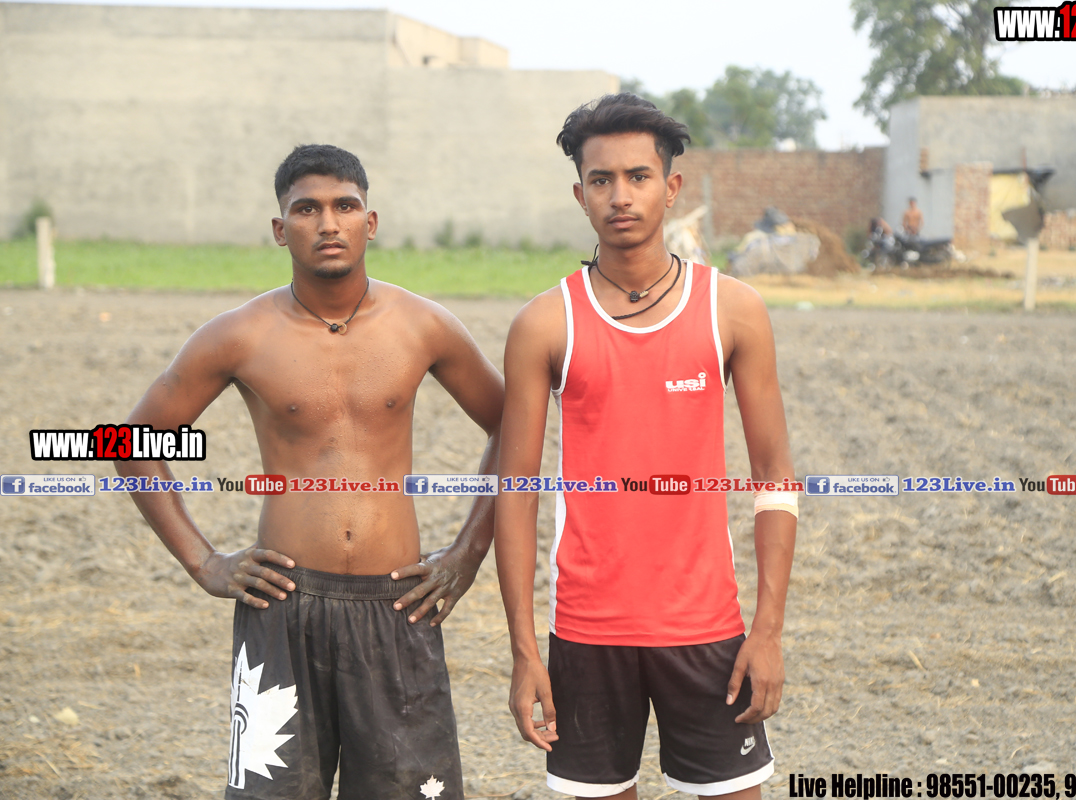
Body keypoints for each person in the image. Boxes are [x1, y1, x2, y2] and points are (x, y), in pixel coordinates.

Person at [115, 144, 502, 800]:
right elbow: (130, 442)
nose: (328, 223)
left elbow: (511, 424)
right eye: (306, 209)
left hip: (397, 607)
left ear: (369, 223)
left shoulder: (423, 325)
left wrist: (468, 551)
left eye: (344, 206)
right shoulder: (240, 334)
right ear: (280, 229)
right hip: (282, 607)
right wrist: (203, 561)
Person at [495, 93, 798, 800]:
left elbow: (775, 477)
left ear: (672, 187)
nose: (620, 196)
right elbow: (515, 494)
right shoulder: (544, 324)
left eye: (638, 176)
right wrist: (523, 650)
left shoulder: (733, 309)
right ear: (580, 195)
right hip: (586, 633)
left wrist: (768, 631)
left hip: (708, 629)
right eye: (601, 180)